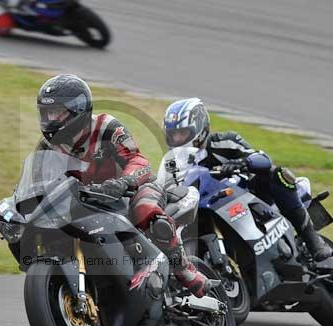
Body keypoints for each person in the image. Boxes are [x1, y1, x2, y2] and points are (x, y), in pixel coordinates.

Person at [36, 74, 212, 297]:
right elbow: (39, 180)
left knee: (145, 209)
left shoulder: (106, 127)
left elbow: (138, 161)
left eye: (56, 112)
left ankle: (186, 272)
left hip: (133, 190)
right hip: (87, 201)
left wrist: (123, 182)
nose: (50, 119)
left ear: (76, 111)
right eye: (46, 113)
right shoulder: (47, 147)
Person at [163, 97, 332, 261]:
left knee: (279, 174)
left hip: (250, 195)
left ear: (199, 128)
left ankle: (313, 241)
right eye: (173, 135)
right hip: (209, 205)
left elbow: (263, 159)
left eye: (182, 133)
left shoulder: (225, 141)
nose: (177, 139)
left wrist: (241, 162)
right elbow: (166, 187)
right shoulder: (172, 163)